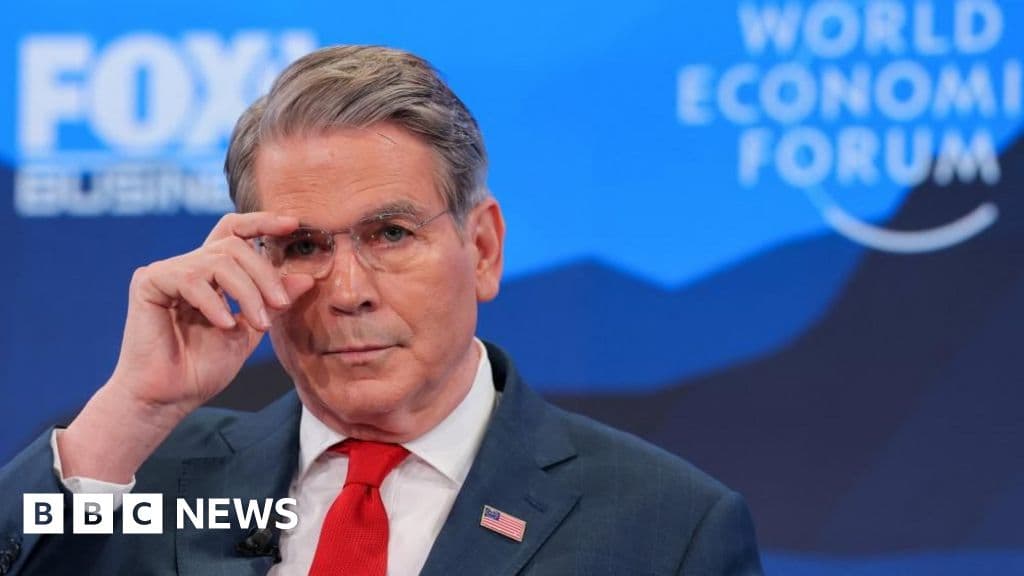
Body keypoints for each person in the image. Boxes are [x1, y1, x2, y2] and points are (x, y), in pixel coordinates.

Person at [0, 45, 763, 575]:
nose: (347, 288)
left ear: (484, 249)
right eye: (301, 246)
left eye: (391, 234)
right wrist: (133, 409)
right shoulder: (142, 481)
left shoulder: (666, 530)